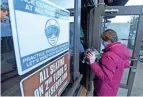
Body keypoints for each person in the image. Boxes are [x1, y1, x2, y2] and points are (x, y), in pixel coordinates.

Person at [87, 29, 131, 96]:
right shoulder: (120, 51)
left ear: (109, 40)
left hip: (103, 91)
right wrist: (101, 59)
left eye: (103, 40)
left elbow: (105, 77)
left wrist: (92, 62)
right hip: (112, 88)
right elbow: (125, 64)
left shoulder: (109, 55)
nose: (102, 42)